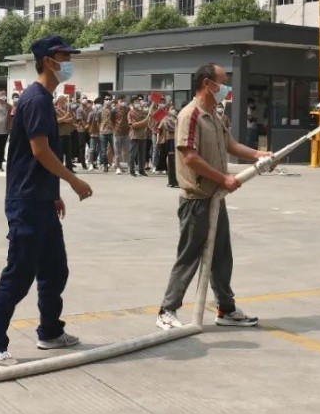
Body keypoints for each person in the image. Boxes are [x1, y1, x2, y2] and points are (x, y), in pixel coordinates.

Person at [0, 35, 94, 367]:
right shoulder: (36, 100)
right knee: (19, 274)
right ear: (48, 61)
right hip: (27, 201)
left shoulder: (44, 98)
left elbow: (42, 156)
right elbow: (40, 151)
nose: (69, 63)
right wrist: (73, 181)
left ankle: (50, 332)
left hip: (42, 200)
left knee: (55, 271)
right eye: (64, 57)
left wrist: (54, 194)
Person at [156, 64, 272, 331]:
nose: (227, 87)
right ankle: (167, 310)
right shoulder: (191, 115)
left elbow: (231, 145)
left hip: (215, 199)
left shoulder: (214, 116)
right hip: (196, 200)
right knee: (189, 256)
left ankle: (226, 308)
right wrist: (223, 179)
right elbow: (190, 157)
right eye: (223, 82)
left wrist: (258, 155)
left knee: (221, 255)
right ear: (207, 84)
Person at [128, 96, 149, 176]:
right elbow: (133, 125)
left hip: (143, 135)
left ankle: (141, 170)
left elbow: (149, 118)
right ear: (132, 104)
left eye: (139, 102)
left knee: (142, 154)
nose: (138, 103)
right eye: (136, 102)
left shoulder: (143, 112)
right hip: (135, 136)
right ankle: (132, 170)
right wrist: (143, 122)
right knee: (133, 154)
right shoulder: (131, 113)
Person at [110, 97, 130, 175]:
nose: (123, 102)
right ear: (118, 102)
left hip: (126, 133)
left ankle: (129, 167)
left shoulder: (128, 109)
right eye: (121, 101)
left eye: (124, 101)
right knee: (117, 152)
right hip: (117, 134)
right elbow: (111, 121)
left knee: (127, 151)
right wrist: (115, 129)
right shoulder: (114, 110)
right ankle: (118, 167)